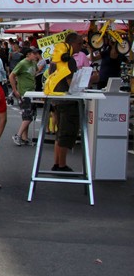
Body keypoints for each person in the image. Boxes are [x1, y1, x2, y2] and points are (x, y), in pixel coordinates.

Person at [51, 33, 82, 172]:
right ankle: (61, 164)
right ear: (71, 43)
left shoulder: (56, 58)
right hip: (67, 100)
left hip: (57, 98)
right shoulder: (68, 60)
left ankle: (57, 162)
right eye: (79, 43)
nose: (80, 46)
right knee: (66, 133)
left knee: (60, 132)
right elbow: (71, 82)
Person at [10, 47, 39, 145]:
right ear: (28, 54)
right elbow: (11, 76)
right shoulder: (22, 63)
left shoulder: (34, 63)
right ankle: (18, 135)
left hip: (32, 91)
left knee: (29, 115)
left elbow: (35, 72)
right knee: (28, 116)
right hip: (24, 92)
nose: (36, 56)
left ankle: (24, 137)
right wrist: (15, 90)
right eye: (34, 54)